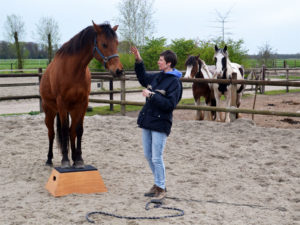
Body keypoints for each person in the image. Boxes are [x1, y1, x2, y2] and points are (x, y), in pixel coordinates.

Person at [131, 46, 183, 201]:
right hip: (148, 120)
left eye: (161, 60)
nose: (158, 62)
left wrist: (152, 95)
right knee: (148, 155)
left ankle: (161, 187)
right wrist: (138, 60)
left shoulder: (175, 83)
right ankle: (157, 184)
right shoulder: (158, 76)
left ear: (168, 63)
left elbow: (170, 105)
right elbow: (143, 78)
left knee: (156, 157)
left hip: (161, 123)